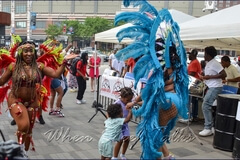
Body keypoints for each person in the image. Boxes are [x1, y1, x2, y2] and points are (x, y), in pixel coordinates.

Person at [0, 40, 74, 154]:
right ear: (20, 53)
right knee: (24, 125)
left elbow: (55, 74)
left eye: (31, 51)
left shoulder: (39, 66)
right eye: (25, 51)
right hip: (15, 99)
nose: (29, 54)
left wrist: (64, 62)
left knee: (29, 130)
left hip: (33, 101)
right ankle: (17, 150)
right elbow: (1, 81)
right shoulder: (13, 66)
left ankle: (23, 151)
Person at [198, 46, 226, 137]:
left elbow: (223, 74)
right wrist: (204, 75)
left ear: (208, 54)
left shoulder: (215, 63)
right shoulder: (209, 63)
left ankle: (208, 128)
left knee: (206, 105)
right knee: (209, 106)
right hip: (211, 86)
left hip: (215, 87)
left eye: (205, 53)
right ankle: (212, 126)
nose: (204, 56)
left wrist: (210, 77)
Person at [112, 87, 134, 160]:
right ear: (122, 97)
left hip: (125, 124)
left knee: (127, 139)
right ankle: (115, 157)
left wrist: (131, 111)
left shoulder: (129, 104)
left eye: (130, 99)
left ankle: (123, 154)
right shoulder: (117, 104)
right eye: (128, 100)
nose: (129, 101)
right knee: (120, 140)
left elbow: (129, 118)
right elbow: (109, 113)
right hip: (117, 125)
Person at [187, 49, 202, 122]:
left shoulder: (194, 62)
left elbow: (192, 74)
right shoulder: (194, 62)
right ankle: (194, 116)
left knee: (190, 100)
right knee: (193, 100)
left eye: (190, 54)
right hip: (195, 83)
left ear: (193, 55)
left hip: (193, 83)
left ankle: (190, 116)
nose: (189, 56)